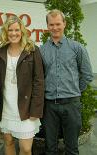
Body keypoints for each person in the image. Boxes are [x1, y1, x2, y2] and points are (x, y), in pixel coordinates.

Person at [40, 9, 93, 155]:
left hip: (71, 105)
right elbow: (40, 77)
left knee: (72, 149)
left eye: (58, 24)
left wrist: (74, 90)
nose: (55, 27)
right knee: (50, 148)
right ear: (47, 26)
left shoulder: (77, 48)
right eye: (51, 24)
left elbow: (87, 74)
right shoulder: (42, 50)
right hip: (49, 106)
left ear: (64, 24)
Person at [0, 15, 44, 155]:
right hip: (7, 107)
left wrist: (36, 109)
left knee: (26, 148)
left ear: (22, 31)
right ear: (6, 32)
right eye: (10, 30)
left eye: (17, 30)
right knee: (9, 142)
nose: (13, 33)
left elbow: (39, 81)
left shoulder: (32, 50)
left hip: (27, 108)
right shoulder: (0, 51)